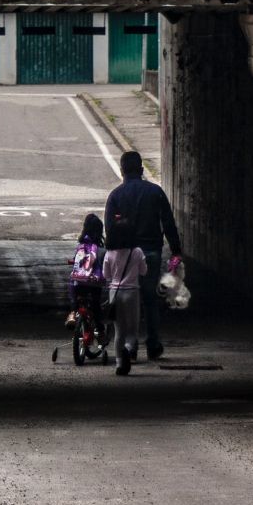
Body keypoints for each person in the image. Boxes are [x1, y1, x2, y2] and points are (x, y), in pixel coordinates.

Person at [104, 150, 182, 361]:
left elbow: (110, 229)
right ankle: (153, 344)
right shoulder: (155, 192)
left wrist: (110, 255)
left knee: (127, 303)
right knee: (149, 300)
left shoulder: (115, 196)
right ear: (141, 170)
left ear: (122, 171)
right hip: (151, 253)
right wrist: (176, 250)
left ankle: (130, 346)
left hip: (124, 257)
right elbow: (168, 223)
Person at [103, 242, 146, 375]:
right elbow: (144, 271)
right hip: (131, 292)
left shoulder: (109, 252)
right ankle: (127, 349)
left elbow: (106, 275)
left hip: (115, 293)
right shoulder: (137, 251)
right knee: (132, 330)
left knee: (118, 332)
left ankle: (119, 364)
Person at [66, 213, 106, 332]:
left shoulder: (80, 247)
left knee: (72, 283)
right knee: (96, 305)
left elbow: (76, 262)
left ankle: (73, 312)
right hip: (95, 283)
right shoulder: (102, 250)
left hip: (79, 281)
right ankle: (100, 331)